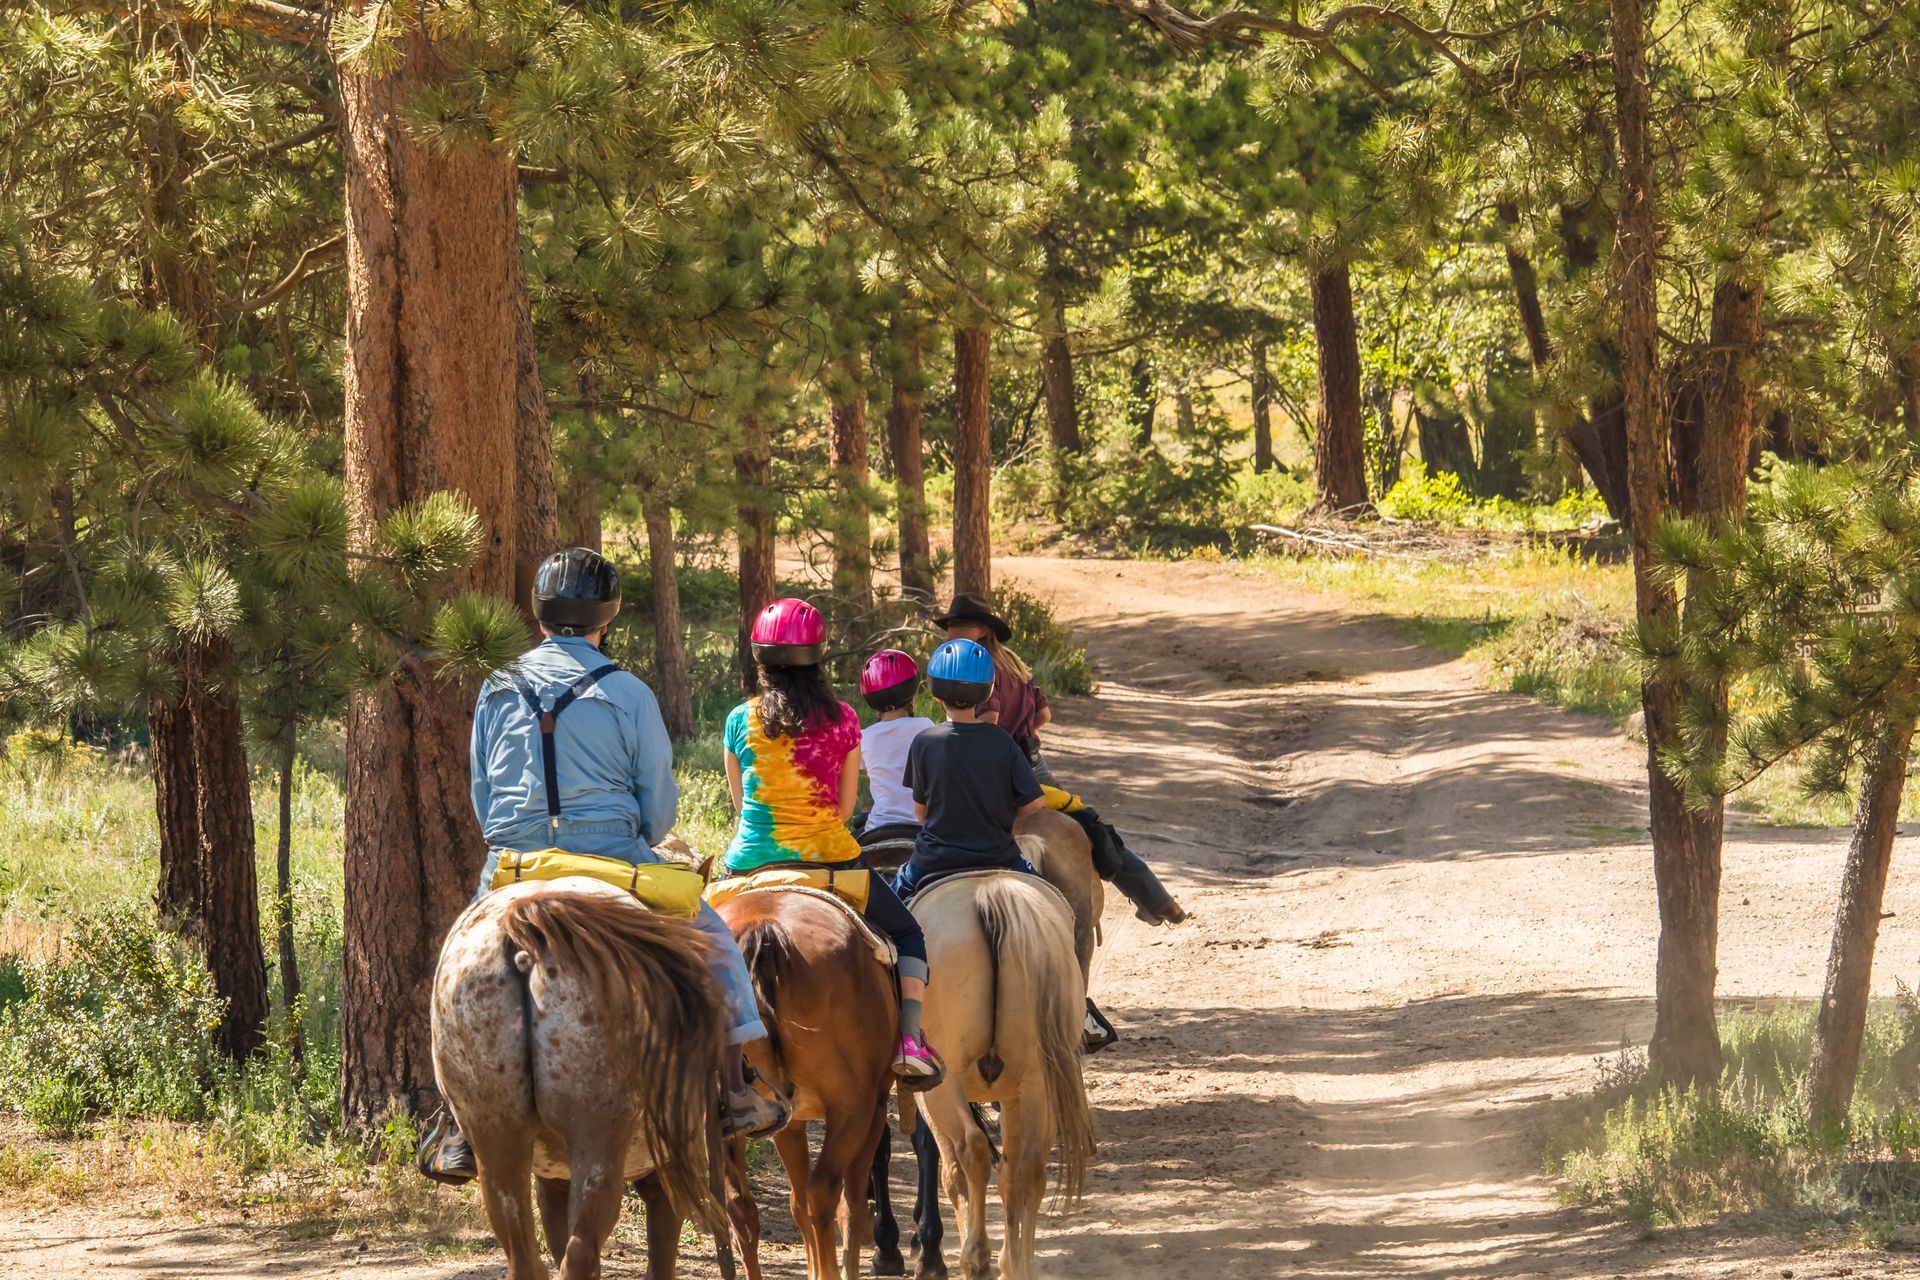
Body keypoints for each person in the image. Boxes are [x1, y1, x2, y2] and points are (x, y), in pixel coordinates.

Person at [422, 548, 789, 1186]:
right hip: (611, 853)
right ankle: (735, 1091)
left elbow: (484, 792)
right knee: (714, 940)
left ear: (539, 616)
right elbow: (658, 802)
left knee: (454, 962)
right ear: (607, 618)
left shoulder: (498, 685)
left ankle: (456, 1118)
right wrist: (638, 838)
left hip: (516, 862)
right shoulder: (628, 691)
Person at [719, 599, 942, 1083]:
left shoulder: (739, 719)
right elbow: (842, 811)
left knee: (690, 944)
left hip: (750, 863)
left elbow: (741, 807)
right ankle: (908, 1039)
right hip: (832, 862)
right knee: (907, 934)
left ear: (759, 657)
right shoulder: (843, 719)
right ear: (817, 656)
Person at [933, 592, 1190, 925]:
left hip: (996, 767)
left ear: (983, 629)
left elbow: (989, 724)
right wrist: (1021, 731)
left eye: (962, 625)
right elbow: (1044, 714)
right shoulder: (1014, 664)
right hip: (1032, 762)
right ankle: (1155, 898)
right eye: (951, 625)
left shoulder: (978, 668)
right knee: (1087, 823)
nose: (953, 631)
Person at [894, 639, 1049, 901]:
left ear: (936, 695)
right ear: (988, 693)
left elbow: (921, 813)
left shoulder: (924, 741)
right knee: (1050, 900)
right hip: (999, 855)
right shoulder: (1001, 740)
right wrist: (1003, 815)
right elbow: (1036, 801)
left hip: (933, 858)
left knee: (890, 912)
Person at [853, 650, 935, 851]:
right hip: (921, 825)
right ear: (911, 688)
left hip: (879, 827)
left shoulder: (865, 737)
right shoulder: (927, 727)